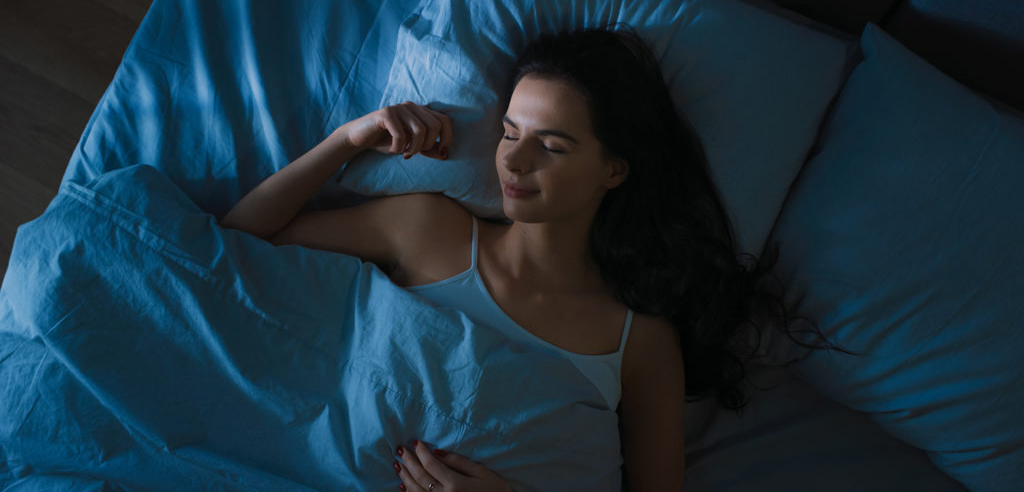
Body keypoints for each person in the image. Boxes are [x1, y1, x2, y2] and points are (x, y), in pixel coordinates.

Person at [221, 26, 816, 491]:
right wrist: (348, 140)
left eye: (551, 146)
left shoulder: (640, 342)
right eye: (509, 133)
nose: (514, 161)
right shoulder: (426, 229)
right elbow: (233, 241)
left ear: (614, 169)